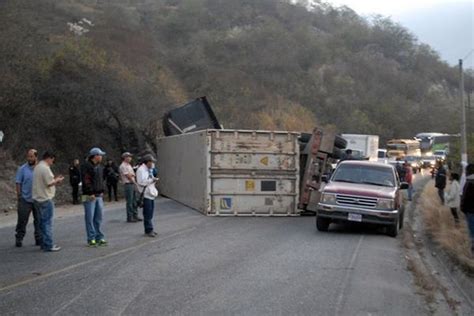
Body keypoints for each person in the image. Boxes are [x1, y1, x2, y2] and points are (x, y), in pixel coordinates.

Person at [32, 151, 64, 252]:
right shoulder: (45, 168)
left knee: (41, 222)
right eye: (52, 161)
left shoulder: (37, 167)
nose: (52, 163)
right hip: (45, 198)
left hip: (37, 198)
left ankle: (43, 243)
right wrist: (57, 180)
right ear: (49, 158)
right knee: (47, 222)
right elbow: (49, 183)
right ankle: (48, 245)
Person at [15, 149, 42, 247]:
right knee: (22, 220)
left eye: (31, 156)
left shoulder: (40, 168)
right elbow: (18, 182)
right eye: (28, 156)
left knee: (39, 220)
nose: (29, 158)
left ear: (36, 157)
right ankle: (19, 238)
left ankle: (39, 238)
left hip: (38, 199)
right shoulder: (22, 169)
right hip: (25, 199)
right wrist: (19, 196)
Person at [81, 147, 107, 247]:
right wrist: (90, 192)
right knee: (89, 217)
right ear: (95, 156)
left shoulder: (100, 167)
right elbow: (86, 180)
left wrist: (102, 190)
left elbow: (101, 180)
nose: (101, 157)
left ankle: (99, 236)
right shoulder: (86, 166)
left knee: (98, 217)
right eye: (100, 155)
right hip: (88, 195)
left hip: (98, 195)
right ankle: (91, 238)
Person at [136, 154, 159, 237]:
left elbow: (151, 177)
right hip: (145, 194)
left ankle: (149, 228)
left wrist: (153, 179)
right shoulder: (141, 170)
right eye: (151, 162)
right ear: (147, 162)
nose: (152, 164)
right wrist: (151, 180)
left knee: (151, 212)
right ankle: (149, 229)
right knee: (147, 213)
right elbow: (141, 182)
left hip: (151, 193)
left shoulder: (149, 169)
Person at [119, 152, 142, 222]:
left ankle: (135, 215)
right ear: (124, 158)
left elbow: (133, 174)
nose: (130, 158)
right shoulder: (123, 166)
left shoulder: (129, 165)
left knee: (134, 200)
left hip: (132, 183)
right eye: (128, 157)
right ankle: (130, 217)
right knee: (130, 201)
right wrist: (133, 179)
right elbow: (128, 176)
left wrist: (132, 176)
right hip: (128, 184)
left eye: (130, 157)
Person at [461, 164, 474, 254]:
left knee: (472, 232)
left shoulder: (469, 182)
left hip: (470, 211)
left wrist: (463, 209)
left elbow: (464, 198)